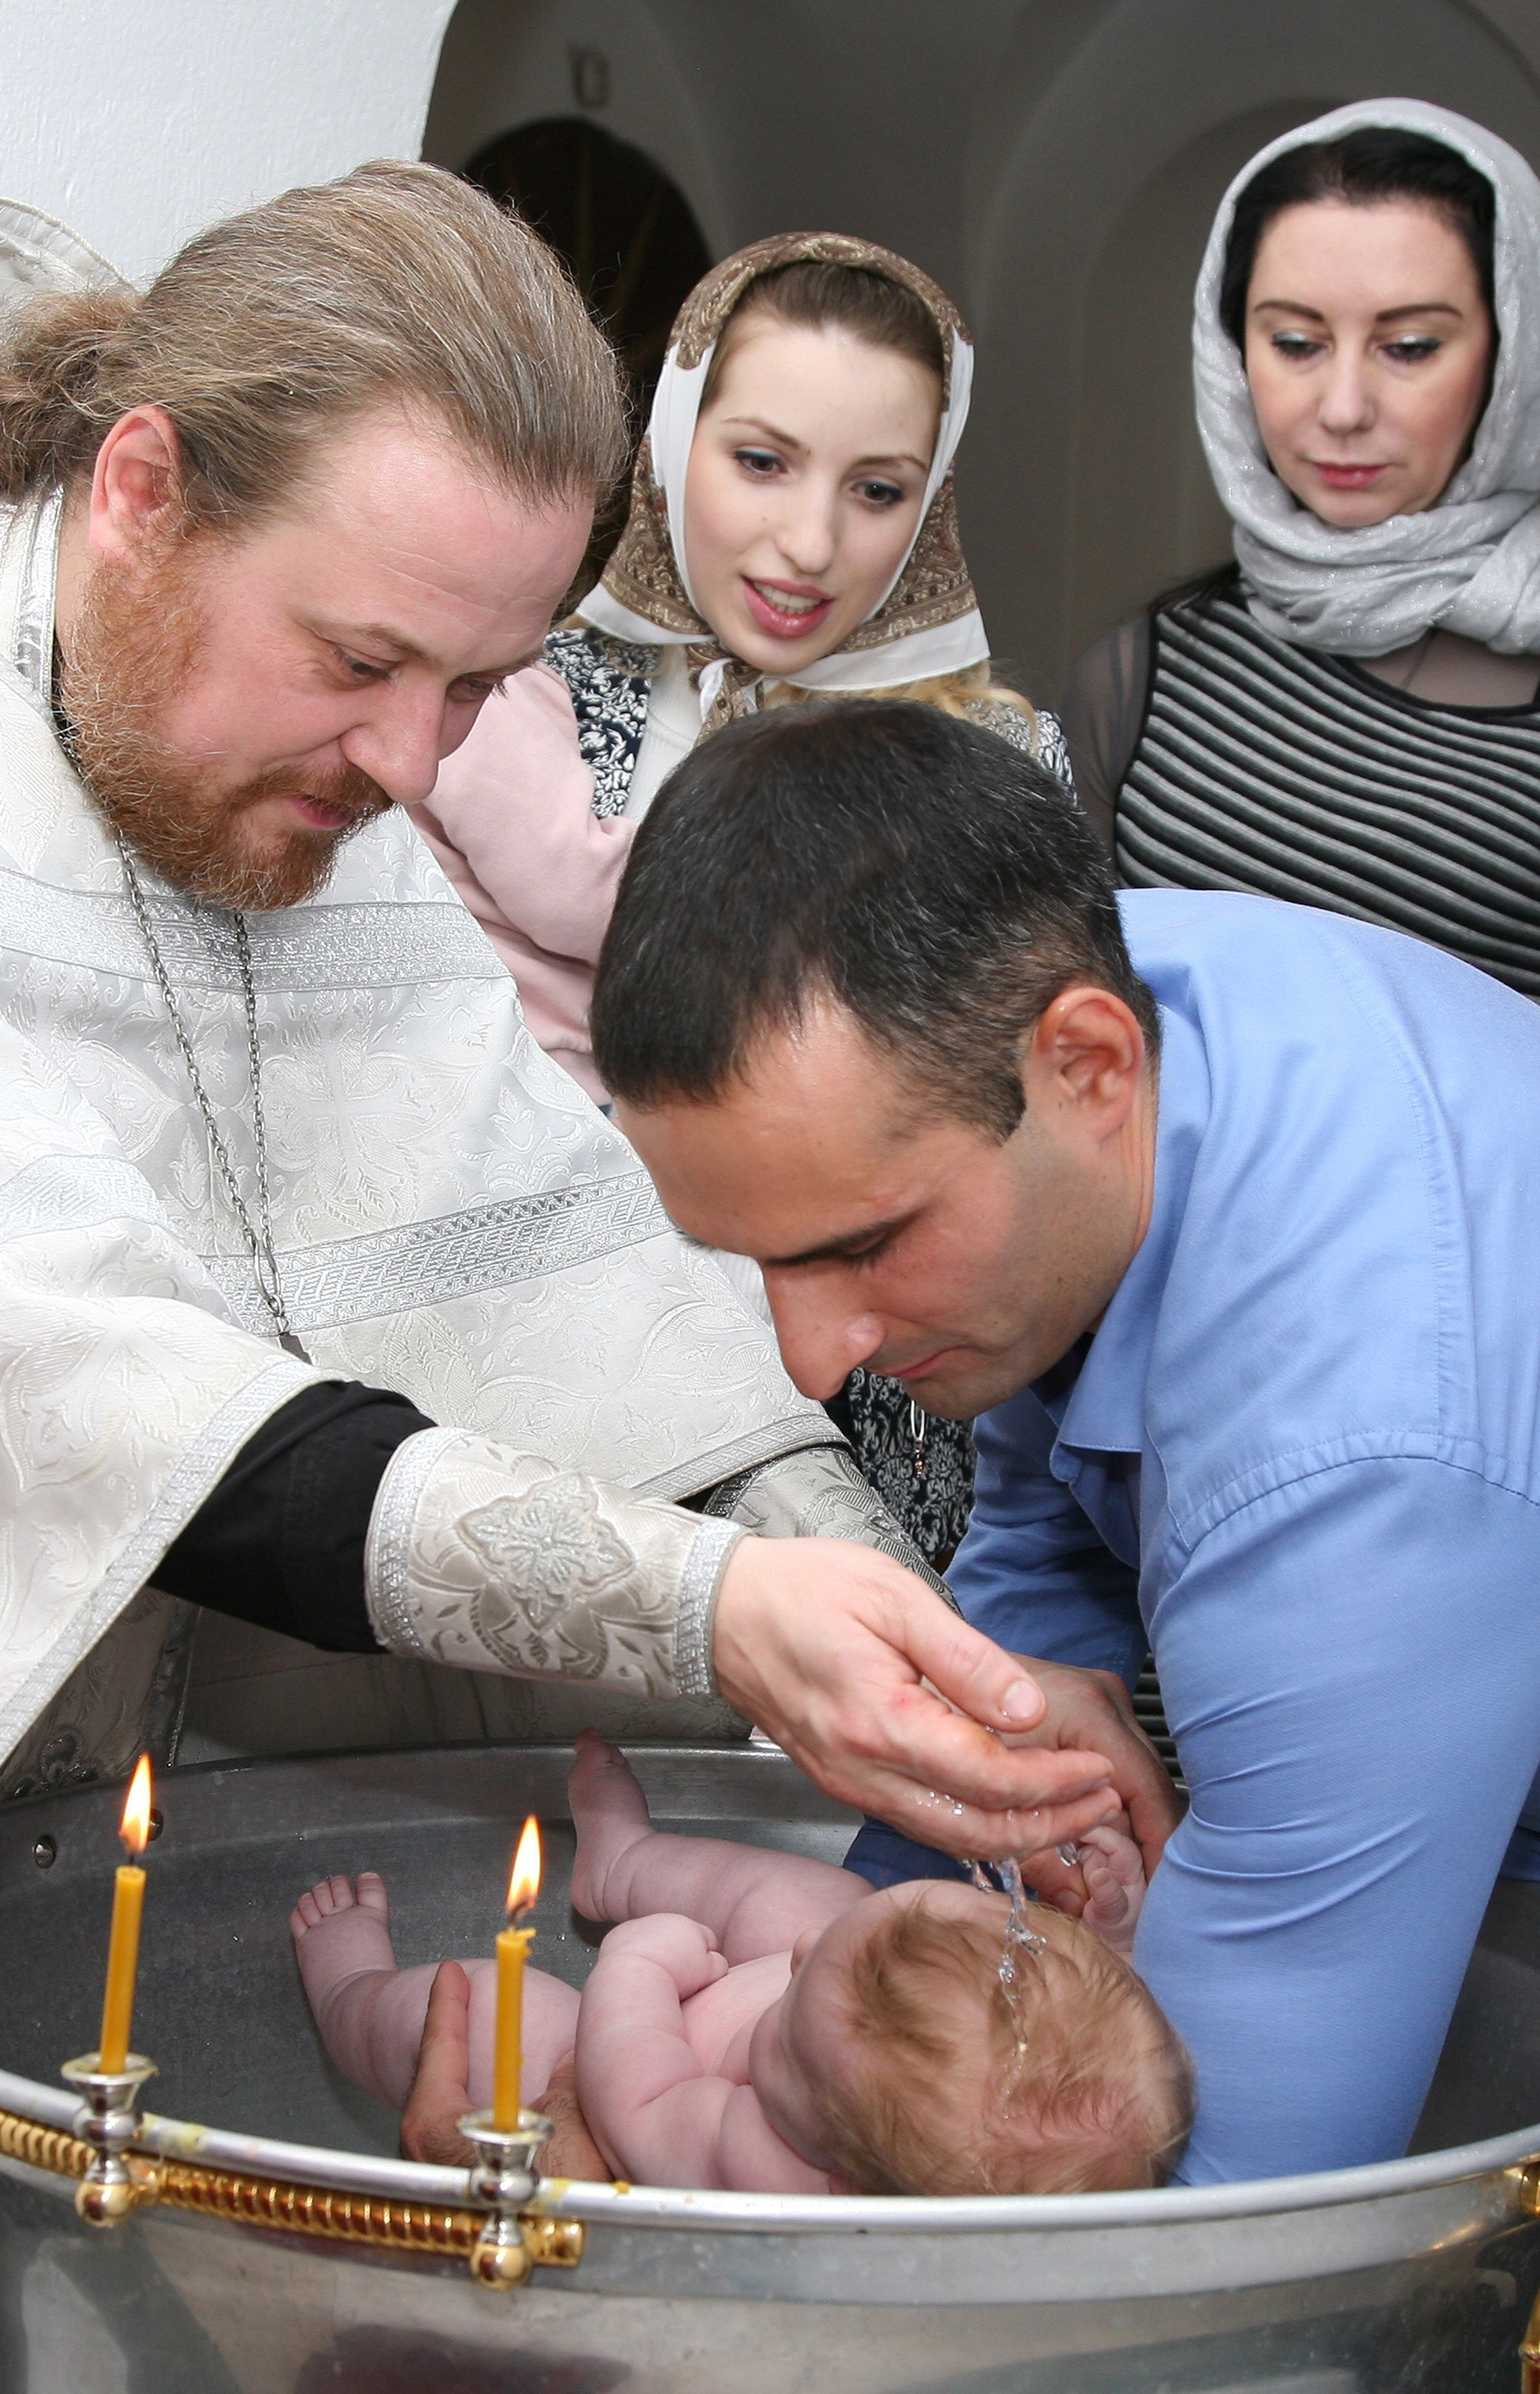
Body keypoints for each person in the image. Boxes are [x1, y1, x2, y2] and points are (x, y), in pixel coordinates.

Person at [0, 165, 1171, 2394]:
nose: (408, 769)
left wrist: (852, 1584)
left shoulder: (287, 747)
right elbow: (113, 1420)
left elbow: (546, 1265)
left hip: (164, 1873)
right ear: (141, 490)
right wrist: (716, 1621)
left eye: (474, 691)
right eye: (366, 662)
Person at [589, 696, 1540, 2188]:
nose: (806, 1354)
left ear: (1087, 1068)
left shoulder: (1361, 1476)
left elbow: (1220, 2250)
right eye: (751, 1260)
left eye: (862, 1245)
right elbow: (1047, 1540)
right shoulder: (1062, 1011)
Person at [413, 230, 1070, 1562]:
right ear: (669, 440)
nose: (809, 541)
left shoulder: (997, 763)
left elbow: (1028, 1150)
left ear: (932, 498)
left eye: (877, 488)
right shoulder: (508, 688)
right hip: (538, 1369)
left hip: (870, 1399)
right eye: (759, 461)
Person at [1062, 101, 1540, 991]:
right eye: (1294, 342)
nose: (1343, 407)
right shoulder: (1139, 679)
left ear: (1512, 358)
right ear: (1231, 352)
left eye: (1407, 346)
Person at [296, 1732, 1185, 2196]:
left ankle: (350, 1988)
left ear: (834, 2167)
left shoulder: (761, 2160)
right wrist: (1107, 1945)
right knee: (817, 1906)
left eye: (794, 2014)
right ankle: (624, 1863)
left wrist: (640, 1968)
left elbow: (630, 2093)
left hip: (635, 2057)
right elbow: (1089, 2038)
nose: (799, 1956)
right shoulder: (916, 2114)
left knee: (503, 2011)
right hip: (796, 2024)